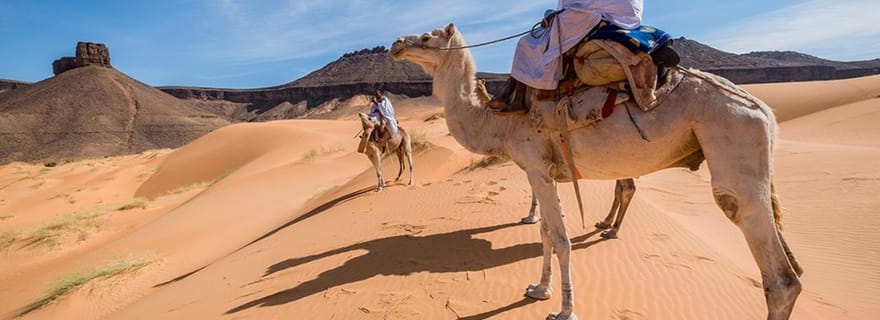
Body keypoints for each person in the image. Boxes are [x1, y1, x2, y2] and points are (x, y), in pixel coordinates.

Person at [488, 0, 644, 113]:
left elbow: (576, 5)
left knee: (528, 42)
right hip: (625, 18)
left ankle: (518, 99)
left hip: (597, 17)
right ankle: (509, 90)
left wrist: (553, 16)